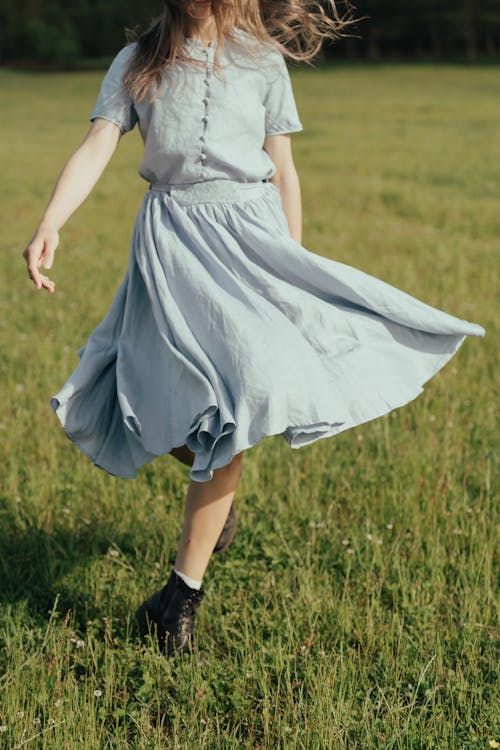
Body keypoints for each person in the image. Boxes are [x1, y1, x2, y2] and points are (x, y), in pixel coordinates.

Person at [22, 0, 485, 659]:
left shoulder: (263, 61)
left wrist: (289, 273)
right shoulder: (138, 63)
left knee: (240, 403)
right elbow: (98, 144)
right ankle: (212, 498)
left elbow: (284, 168)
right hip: (173, 247)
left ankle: (178, 601)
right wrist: (51, 222)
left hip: (252, 242)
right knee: (164, 407)